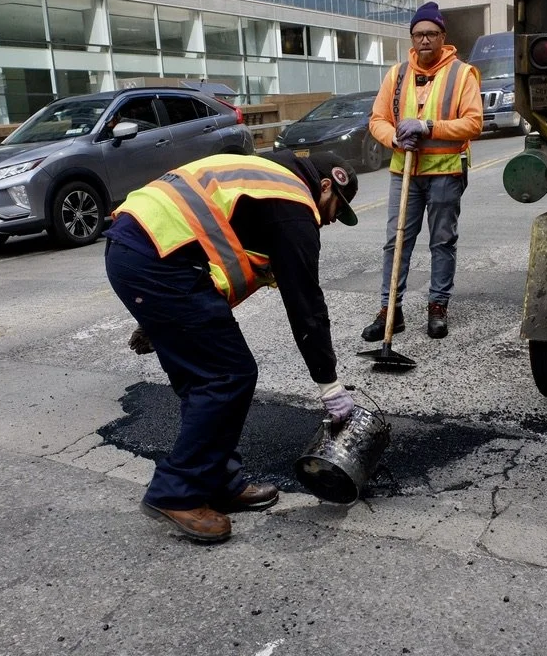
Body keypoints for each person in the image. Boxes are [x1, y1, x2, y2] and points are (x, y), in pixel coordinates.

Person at [104, 150, 360, 543]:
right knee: (227, 374)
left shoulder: (265, 177)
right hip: (155, 261)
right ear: (326, 185)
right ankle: (176, 493)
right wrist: (329, 385)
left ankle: (216, 481)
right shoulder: (293, 205)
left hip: (142, 252)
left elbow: (212, 253)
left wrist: (160, 319)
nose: (327, 220)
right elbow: (306, 304)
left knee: (203, 379)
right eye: (333, 209)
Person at [364, 1, 483, 340]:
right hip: (405, 173)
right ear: (412, 39)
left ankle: (437, 308)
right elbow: (378, 120)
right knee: (396, 242)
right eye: (418, 35)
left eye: (431, 34)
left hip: (445, 173)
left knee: (442, 242)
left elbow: (473, 123)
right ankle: (390, 312)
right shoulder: (397, 74)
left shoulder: (462, 74)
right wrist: (395, 140)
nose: (425, 40)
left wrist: (428, 126)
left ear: (443, 36)